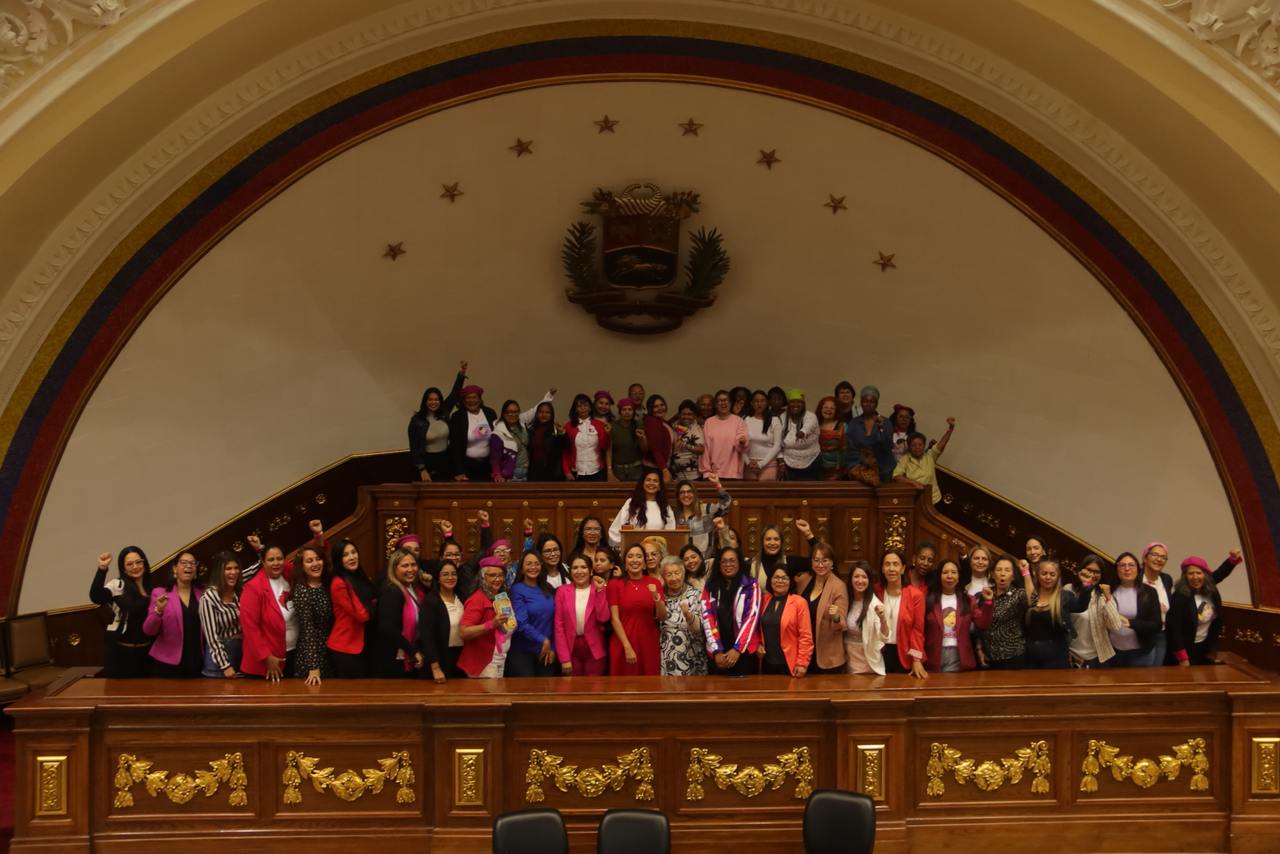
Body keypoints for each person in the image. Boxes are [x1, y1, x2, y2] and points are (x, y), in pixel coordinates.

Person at [90, 546, 155, 678]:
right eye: (129, 564)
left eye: (139, 562)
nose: (135, 566)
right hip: (121, 653)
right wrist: (102, 569)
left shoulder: (152, 587)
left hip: (147, 652)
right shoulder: (117, 585)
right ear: (123, 568)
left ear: (144, 563)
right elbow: (96, 597)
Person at [240, 542, 297, 681]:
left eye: (279, 558)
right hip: (267, 662)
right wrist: (266, 657)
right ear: (263, 562)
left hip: (292, 653)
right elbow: (250, 627)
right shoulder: (253, 588)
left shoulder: (288, 575)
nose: (276, 563)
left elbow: (306, 563)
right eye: (271, 560)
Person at [700, 546, 761, 676]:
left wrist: (737, 649)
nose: (728, 564)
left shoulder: (751, 585)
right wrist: (716, 650)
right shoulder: (710, 587)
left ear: (739, 562)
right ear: (719, 564)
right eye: (724, 561)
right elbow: (707, 618)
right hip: (718, 653)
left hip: (743, 652)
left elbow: (751, 617)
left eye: (732, 560)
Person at [608, 543, 666, 676]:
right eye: (630, 556)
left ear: (645, 564)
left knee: (649, 686)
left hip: (648, 643)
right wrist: (627, 647)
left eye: (639, 556)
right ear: (625, 562)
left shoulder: (654, 583)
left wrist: (656, 598)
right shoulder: (614, 584)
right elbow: (614, 619)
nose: (635, 560)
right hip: (623, 642)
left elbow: (662, 617)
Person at [923, 559, 991, 672]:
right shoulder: (928, 599)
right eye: (945, 572)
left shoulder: (968, 600)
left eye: (954, 572)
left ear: (959, 576)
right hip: (933, 655)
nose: (950, 576)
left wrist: (988, 603)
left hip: (959, 656)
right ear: (939, 576)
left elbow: (983, 623)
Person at [143, 552, 204, 678]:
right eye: (184, 562)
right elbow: (149, 630)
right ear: (175, 568)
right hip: (167, 663)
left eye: (193, 563)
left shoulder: (203, 593)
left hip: (197, 661)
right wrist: (158, 611)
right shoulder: (160, 593)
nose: (189, 566)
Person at [1168, 554, 1235, 666]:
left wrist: (1232, 560)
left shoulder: (1211, 591)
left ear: (1205, 575)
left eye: (1199, 573)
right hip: (1185, 649)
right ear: (1185, 577)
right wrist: (1182, 657)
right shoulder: (1179, 596)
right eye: (1191, 573)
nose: (1195, 577)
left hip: (1206, 647)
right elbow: (1174, 628)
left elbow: (1220, 573)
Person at [554, 553, 611, 676]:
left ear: (591, 571)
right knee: (572, 691)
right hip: (571, 649)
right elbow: (559, 627)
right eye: (575, 568)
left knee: (595, 690)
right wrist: (564, 658)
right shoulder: (562, 591)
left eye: (584, 567)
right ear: (570, 571)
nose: (579, 571)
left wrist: (600, 591)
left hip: (595, 650)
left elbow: (603, 617)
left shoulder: (599, 589)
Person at [372, 548, 426, 678]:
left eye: (413, 565)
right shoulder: (391, 591)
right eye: (405, 566)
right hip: (394, 660)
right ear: (394, 568)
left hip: (407, 656)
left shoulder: (413, 589)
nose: (410, 569)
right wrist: (413, 651)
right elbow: (388, 629)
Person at [408, 360, 466, 481]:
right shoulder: (416, 420)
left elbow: (454, 394)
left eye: (437, 400)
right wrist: (422, 470)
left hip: (446, 460)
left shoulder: (444, 413)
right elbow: (414, 448)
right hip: (427, 463)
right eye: (430, 399)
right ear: (425, 401)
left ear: (440, 401)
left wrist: (461, 374)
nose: (433, 402)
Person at [797, 542, 848, 674]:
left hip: (827, 658)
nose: (820, 565)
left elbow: (841, 624)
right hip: (804, 653)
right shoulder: (803, 580)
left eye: (825, 560)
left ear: (832, 563)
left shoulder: (838, 586)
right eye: (816, 560)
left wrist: (836, 617)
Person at [1104, 551, 1163, 667]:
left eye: (1131, 565)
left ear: (1138, 568)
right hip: (1113, 652)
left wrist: (1131, 623)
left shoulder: (1149, 592)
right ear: (1116, 569)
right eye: (1122, 565)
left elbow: (1156, 625)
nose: (1127, 569)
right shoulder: (1108, 590)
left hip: (1140, 653)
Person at [327, 539, 375, 678]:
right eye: (345, 555)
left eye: (353, 552)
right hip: (345, 646)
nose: (352, 557)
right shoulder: (339, 583)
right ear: (338, 560)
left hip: (362, 643)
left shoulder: (359, 577)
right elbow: (362, 615)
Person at [458, 558, 515, 678]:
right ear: (483, 578)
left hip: (499, 659)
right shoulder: (477, 599)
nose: (498, 579)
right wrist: (491, 624)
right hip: (483, 663)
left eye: (500, 575)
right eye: (492, 575)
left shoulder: (501, 598)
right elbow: (463, 631)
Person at [506, 550, 558, 676]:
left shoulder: (548, 588)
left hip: (546, 650)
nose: (533, 567)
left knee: (547, 692)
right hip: (523, 651)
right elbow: (522, 623)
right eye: (529, 564)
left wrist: (553, 647)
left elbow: (555, 621)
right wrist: (543, 640)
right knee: (527, 692)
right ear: (522, 569)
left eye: (536, 563)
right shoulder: (517, 589)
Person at [979, 554, 1036, 670]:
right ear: (993, 574)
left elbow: (1033, 601)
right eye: (999, 570)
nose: (1002, 573)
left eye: (1007, 570)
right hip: (989, 658)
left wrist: (1025, 572)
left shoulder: (1018, 594)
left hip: (1013, 657)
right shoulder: (985, 594)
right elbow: (979, 625)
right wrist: (979, 648)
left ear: (1013, 576)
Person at [876, 548, 926, 678]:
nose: (891, 569)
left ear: (903, 569)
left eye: (896, 564)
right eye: (887, 564)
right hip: (878, 653)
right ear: (882, 569)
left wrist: (916, 659)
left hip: (904, 654)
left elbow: (917, 630)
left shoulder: (916, 595)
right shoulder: (876, 591)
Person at [1067, 554, 1124, 668]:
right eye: (1089, 570)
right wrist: (1086, 585)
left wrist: (1109, 598)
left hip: (1096, 659)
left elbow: (1116, 626)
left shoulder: (1103, 596)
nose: (1092, 575)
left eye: (1097, 572)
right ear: (1081, 570)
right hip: (1070, 656)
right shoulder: (1068, 590)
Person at [1024, 559, 1081, 669]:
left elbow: (1081, 606)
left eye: (1052, 574)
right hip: (1030, 655)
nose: (1048, 577)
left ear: (1058, 576)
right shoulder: (1030, 595)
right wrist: (1025, 572)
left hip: (1056, 656)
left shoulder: (1065, 596)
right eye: (1044, 573)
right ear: (1037, 575)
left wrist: (1087, 586)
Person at [757, 566, 813, 677]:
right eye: (776, 577)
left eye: (784, 578)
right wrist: (758, 643)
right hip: (766, 663)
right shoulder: (763, 600)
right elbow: (757, 628)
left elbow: (805, 636)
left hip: (790, 664)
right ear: (770, 580)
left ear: (790, 581)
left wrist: (802, 663)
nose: (780, 581)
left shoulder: (799, 603)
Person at [291, 544, 334, 686]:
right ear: (301, 566)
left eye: (318, 559)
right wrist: (313, 667)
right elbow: (307, 630)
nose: (315, 564)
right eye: (309, 561)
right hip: (312, 654)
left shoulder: (326, 583)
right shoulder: (302, 591)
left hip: (330, 648)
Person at [490, 390, 556, 482]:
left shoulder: (522, 424)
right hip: (510, 475)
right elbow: (495, 457)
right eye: (509, 412)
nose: (512, 414)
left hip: (527, 473)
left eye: (515, 412)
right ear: (503, 414)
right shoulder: (498, 432)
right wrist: (497, 474)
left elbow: (534, 411)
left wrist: (548, 397)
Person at [659, 555, 707, 675]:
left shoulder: (696, 595)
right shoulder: (659, 598)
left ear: (684, 573)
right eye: (669, 574)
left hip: (692, 656)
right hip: (667, 657)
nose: (674, 578)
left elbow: (700, 629)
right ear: (663, 577)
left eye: (677, 573)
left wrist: (689, 616)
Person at [419, 560, 465, 682]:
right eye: (445, 574)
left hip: (462, 657)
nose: (450, 577)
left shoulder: (463, 597)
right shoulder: (431, 601)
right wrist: (435, 667)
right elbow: (427, 637)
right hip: (441, 659)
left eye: (454, 574)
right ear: (438, 578)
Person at [199, 551, 243, 678]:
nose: (233, 572)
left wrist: (259, 549)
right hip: (219, 662)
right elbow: (211, 637)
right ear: (219, 572)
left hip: (240, 653)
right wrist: (225, 665)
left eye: (236, 568)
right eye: (228, 569)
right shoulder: (208, 598)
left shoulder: (239, 592)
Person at [893, 418, 956, 504]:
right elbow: (897, 476)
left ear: (924, 445)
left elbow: (942, 444)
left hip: (934, 499)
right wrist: (913, 483)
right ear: (909, 447)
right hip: (915, 500)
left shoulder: (930, 456)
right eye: (914, 445)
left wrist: (950, 429)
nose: (917, 448)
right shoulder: (905, 459)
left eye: (920, 445)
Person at [608, 468, 677, 547]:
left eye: (655, 481)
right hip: (634, 552)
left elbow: (671, 533)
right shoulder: (631, 503)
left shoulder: (665, 507)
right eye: (648, 480)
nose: (651, 483)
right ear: (642, 483)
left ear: (660, 486)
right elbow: (617, 530)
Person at [844, 563, 889, 675]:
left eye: (864, 577)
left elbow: (884, 637)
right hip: (846, 657)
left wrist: (883, 619)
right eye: (856, 576)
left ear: (869, 581)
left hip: (867, 660)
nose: (860, 581)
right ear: (851, 579)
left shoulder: (875, 604)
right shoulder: (845, 599)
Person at [748, 519, 818, 589]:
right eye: (768, 539)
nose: (772, 543)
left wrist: (808, 534)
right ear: (762, 542)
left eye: (776, 539)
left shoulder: (790, 562)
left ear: (781, 543)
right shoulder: (751, 564)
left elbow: (819, 561)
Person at [448, 383, 497, 481]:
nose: (471, 401)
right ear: (463, 400)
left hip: (488, 466)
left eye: (474, 397)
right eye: (468, 398)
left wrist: (496, 469)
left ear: (480, 399)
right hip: (466, 467)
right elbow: (455, 446)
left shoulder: (490, 413)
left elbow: (496, 439)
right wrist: (459, 471)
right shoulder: (457, 417)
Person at [846, 386, 894, 483]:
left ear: (876, 403)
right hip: (859, 470)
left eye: (872, 401)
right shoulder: (854, 423)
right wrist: (863, 459)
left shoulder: (886, 422)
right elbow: (850, 447)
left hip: (882, 470)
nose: (868, 404)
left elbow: (888, 447)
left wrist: (881, 428)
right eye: (865, 401)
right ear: (861, 403)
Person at [673, 475, 731, 555]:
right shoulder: (674, 515)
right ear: (678, 497)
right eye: (682, 492)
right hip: (684, 562)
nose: (686, 495)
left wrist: (717, 484)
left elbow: (726, 503)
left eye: (689, 492)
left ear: (694, 494)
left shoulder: (706, 509)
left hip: (706, 561)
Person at [700, 390, 749, 479]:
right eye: (720, 400)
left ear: (730, 403)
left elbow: (742, 445)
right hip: (713, 474)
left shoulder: (739, 421)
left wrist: (742, 441)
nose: (723, 403)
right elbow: (705, 448)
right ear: (715, 404)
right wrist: (706, 472)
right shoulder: (709, 422)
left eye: (726, 400)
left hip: (734, 474)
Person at [564, 393, 610, 481]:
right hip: (577, 472)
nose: (583, 408)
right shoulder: (568, 426)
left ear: (590, 408)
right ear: (575, 409)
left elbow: (605, 446)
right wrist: (567, 471)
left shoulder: (599, 425)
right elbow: (565, 452)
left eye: (585, 405)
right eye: (579, 406)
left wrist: (607, 434)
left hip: (597, 471)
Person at [780, 389, 822, 480]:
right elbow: (777, 441)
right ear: (788, 404)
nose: (796, 405)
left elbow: (809, 426)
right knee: (791, 492)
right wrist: (781, 461)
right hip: (788, 463)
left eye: (799, 402)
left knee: (810, 491)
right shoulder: (782, 417)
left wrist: (802, 432)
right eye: (792, 402)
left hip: (812, 461)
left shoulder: (811, 416)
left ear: (804, 404)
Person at [743, 390, 782, 481]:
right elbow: (740, 444)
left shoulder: (775, 420)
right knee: (749, 494)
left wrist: (761, 464)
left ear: (767, 403)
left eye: (762, 401)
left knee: (767, 494)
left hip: (769, 465)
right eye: (756, 401)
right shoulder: (746, 420)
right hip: (750, 464)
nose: (759, 404)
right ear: (752, 403)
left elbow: (777, 445)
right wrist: (748, 462)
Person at [526, 400, 566, 481]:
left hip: (551, 471)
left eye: (547, 412)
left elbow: (566, 446)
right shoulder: (530, 430)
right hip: (534, 469)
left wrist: (561, 433)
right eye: (541, 412)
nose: (544, 415)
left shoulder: (556, 429)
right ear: (536, 414)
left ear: (551, 415)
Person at [608, 398, 644, 482]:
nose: (627, 412)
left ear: (633, 411)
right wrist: (609, 471)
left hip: (636, 469)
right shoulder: (612, 426)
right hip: (618, 469)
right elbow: (609, 450)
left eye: (630, 409)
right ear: (620, 412)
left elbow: (645, 449)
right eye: (624, 410)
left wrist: (642, 438)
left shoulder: (639, 425)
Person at [669, 400, 706, 481]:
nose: (686, 417)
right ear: (679, 415)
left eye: (690, 414)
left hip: (693, 477)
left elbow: (701, 450)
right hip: (675, 476)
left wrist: (687, 446)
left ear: (694, 416)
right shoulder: (673, 427)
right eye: (683, 414)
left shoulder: (697, 429)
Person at [640, 394, 676, 475]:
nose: (660, 408)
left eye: (662, 405)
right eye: (655, 406)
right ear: (650, 409)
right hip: (655, 469)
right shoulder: (652, 422)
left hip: (662, 467)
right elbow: (656, 450)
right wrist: (665, 470)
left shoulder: (662, 421)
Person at [815, 396, 848, 480]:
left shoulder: (842, 426)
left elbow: (845, 451)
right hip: (817, 469)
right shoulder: (815, 425)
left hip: (837, 471)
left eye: (832, 408)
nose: (828, 410)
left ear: (836, 411)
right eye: (826, 407)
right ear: (820, 409)